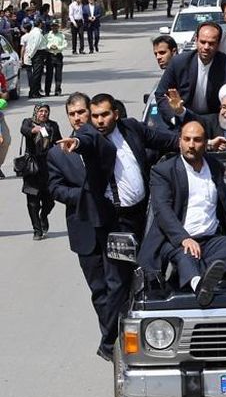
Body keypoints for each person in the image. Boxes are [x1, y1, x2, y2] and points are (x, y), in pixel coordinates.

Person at [57, 93, 180, 360]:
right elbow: (85, 141)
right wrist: (76, 142)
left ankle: (152, 331)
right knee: (117, 281)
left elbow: (162, 140)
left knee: (151, 270)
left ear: (116, 113)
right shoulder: (92, 136)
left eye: (104, 115)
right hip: (115, 221)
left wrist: (189, 142)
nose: (99, 121)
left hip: (143, 214)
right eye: (95, 116)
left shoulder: (132, 128)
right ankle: (109, 343)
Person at [137, 121, 226, 306]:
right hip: (176, 241)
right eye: (187, 139)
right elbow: (163, 210)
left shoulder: (215, 167)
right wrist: (184, 238)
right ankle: (200, 286)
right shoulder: (163, 171)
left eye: (197, 140)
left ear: (205, 142)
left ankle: (204, 271)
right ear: (179, 142)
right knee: (187, 256)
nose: (191, 145)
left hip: (210, 241)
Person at [47, 93, 108, 346]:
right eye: (72, 114)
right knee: (100, 291)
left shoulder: (105, 141)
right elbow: (55, 188)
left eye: (81, 112)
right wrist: (83, 195)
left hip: (115, 225)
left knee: (124, 287)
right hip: (84, 230)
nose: (77, 118)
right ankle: (111, 339)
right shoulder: (57, 153)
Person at [154, 21, 226, 127]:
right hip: (183, 120)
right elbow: (160, 94)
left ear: (218, 44)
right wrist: (174, 116)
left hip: (215, 123)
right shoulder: (179, 63)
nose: (206, 47)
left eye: (211, 43)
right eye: (202, 42)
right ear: (196, 40)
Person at [19, 103, 61, 239]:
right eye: (41, 111)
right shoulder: (28, 122)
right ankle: (37, 230)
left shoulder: (53, 125)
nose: (44, 114)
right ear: (36, 112)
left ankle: (43, 217)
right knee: (33, 202)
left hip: (48, 167)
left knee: (50, 201)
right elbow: (24, 130)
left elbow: (58, 141)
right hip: (32, 168)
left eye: (46, 111)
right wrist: (34, 130)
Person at [44, 21, 65, 96]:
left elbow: (64, 44)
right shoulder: (47, 35)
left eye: (56, 26)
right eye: (53, 26)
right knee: (49, 74)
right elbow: (44, 45)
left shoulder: (61, 35)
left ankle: (57, 90)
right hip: (50, 55)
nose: (54, 27)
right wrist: (50, 46)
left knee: (58, 75)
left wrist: (58, 47)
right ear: (51, 27)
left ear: (58, 27)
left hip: (58, 55)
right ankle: (47, 91)